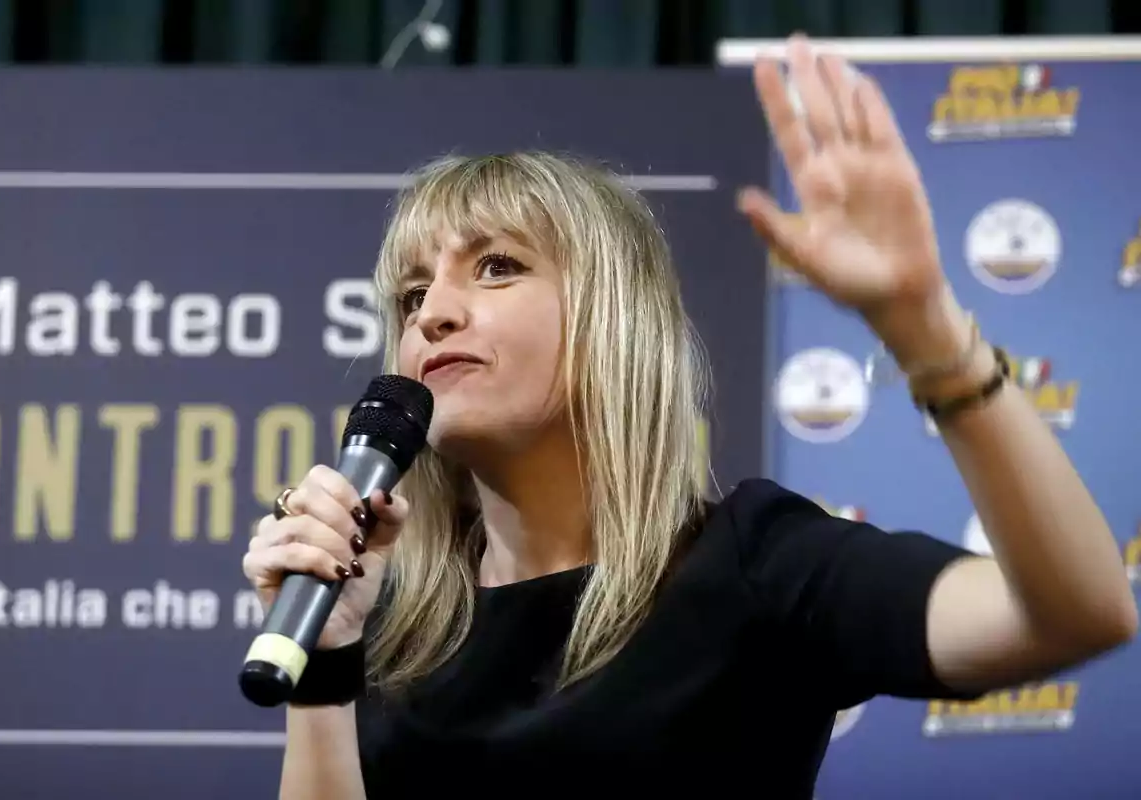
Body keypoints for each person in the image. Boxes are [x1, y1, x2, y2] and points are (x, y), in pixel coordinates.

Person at [242, 34, 1136, 799]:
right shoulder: (389, 626)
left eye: (499, 267)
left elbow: (1074, 614)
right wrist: (328, 666)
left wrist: (927, 329)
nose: (432, 312)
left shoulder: (752, 561)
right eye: (411, 293)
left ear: (612, 319)